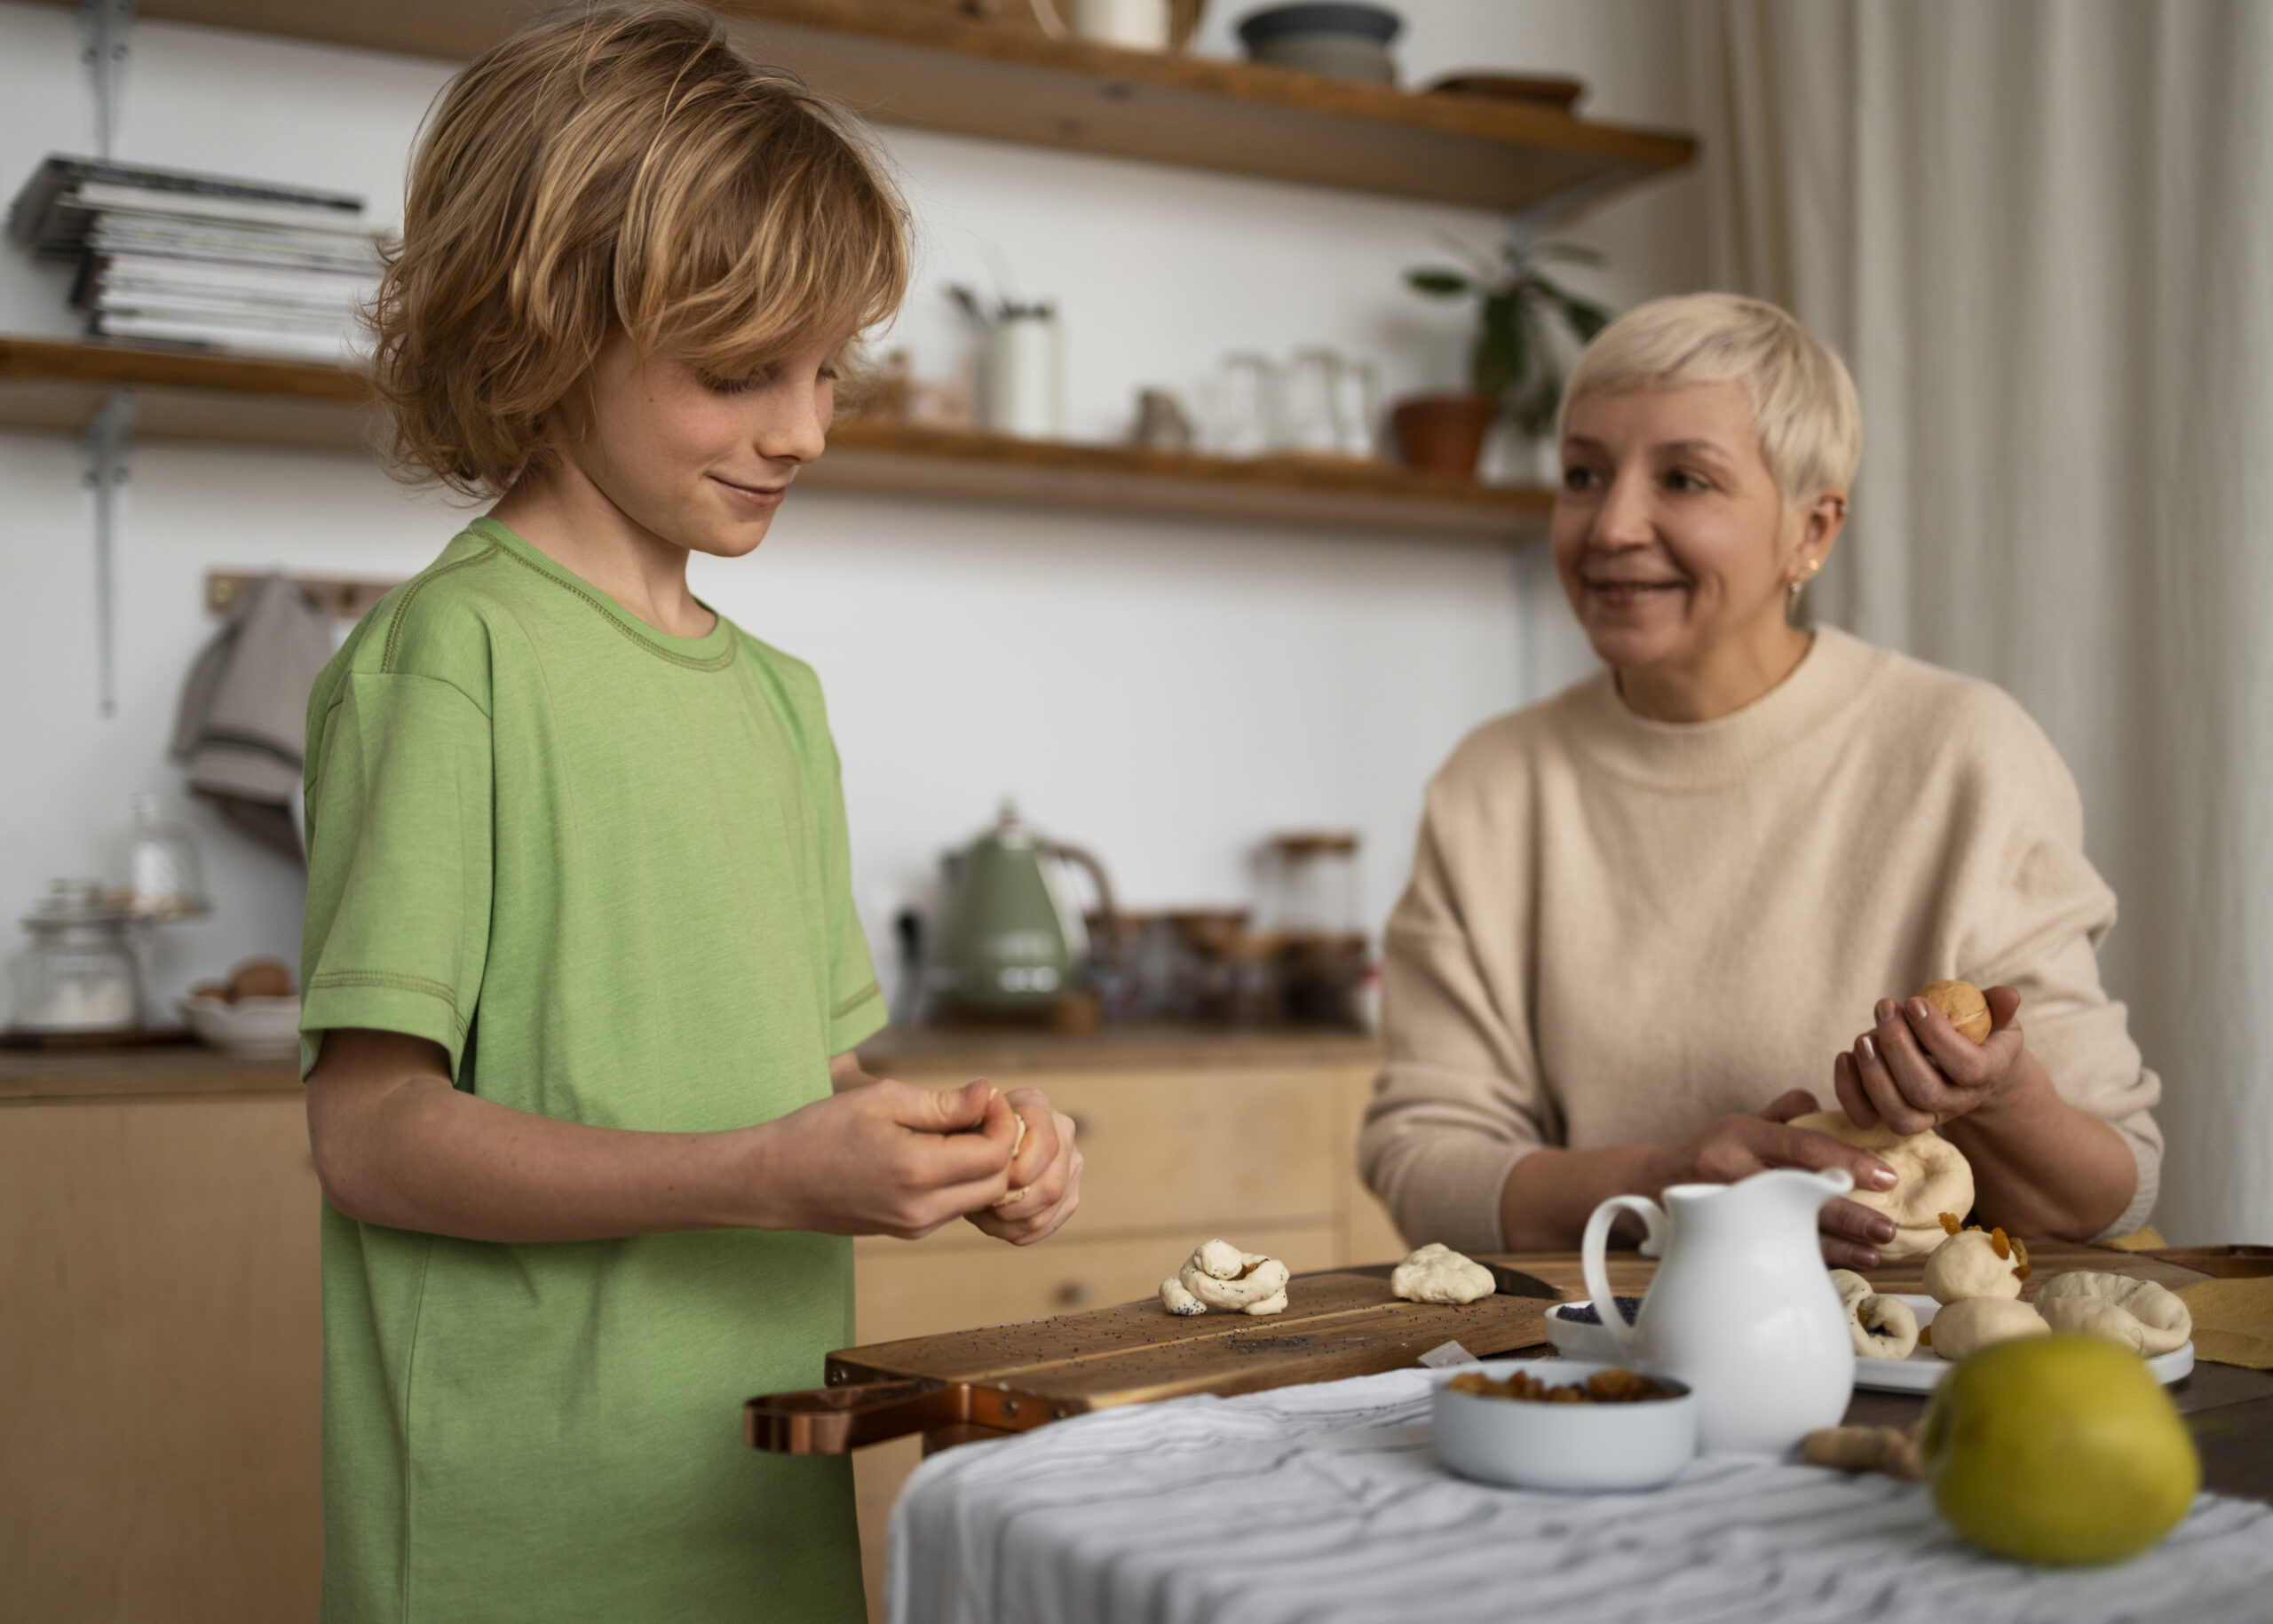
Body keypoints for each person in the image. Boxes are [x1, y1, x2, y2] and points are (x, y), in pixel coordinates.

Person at [297, 9, 1081, 1620]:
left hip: (758, 1498)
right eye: (739, 373)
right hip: (511, 1539)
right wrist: (771, 1171)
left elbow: (816, 1079)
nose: (802, 428)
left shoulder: (777, 698)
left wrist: (956, 1145)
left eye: (826, 372)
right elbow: (368, 1135)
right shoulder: (453, 662)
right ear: (540, 331)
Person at [1358, 292, 2159, 1271]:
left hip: (1922, 1368)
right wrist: (1669, 1182)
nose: (1610, 525)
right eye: (1582, 474)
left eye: (1684, 479)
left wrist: (1998, 1097)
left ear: (1809, 532)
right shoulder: (1492, 783)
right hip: (1615, 1352)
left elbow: (2111, 1188)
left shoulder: (1963, 751)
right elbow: (1421, 1160)